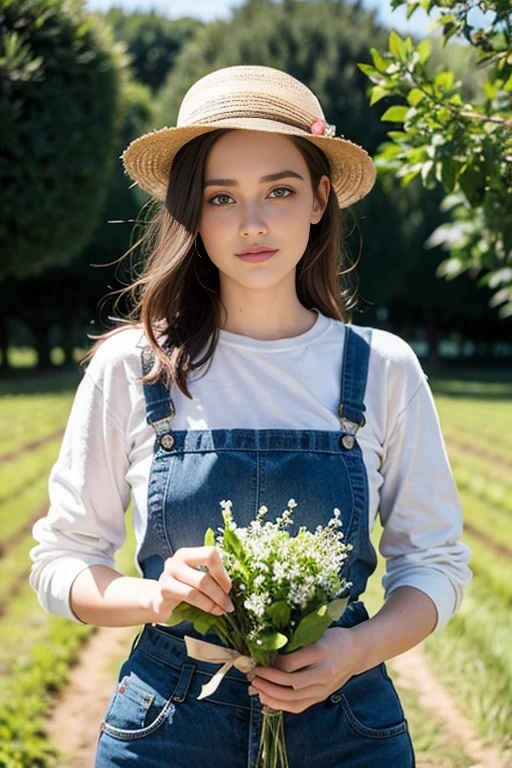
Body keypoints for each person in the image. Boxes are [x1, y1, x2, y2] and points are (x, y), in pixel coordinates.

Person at [29, 64, 473, 767]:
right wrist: (155, 596)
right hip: (168, 725)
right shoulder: (135, 367)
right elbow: (61, 563)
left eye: (280, 190)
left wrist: (353, 649)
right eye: (221, 197)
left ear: (321, 199)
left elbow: (435, 565)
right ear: (191, 212)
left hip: (345, 727)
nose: (254, 223)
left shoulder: (382, 368)